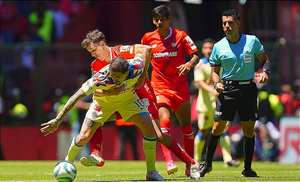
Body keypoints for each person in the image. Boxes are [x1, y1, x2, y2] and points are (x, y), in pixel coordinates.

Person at [80, 30, 201, 180]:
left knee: (157, 134)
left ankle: (191, 163)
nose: (92, 54)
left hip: (142, 93)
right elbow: (96, 88)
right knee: (97, 118)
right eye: (89, 52)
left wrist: (143, 74)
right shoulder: (96, 64)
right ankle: (95, 154)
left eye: (93, 50)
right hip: (123, 99)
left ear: (102, 44)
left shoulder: (120, 51)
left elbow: (146, 49)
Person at [40, 52, 166, 181]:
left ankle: (151, 173)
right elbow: (75, 97)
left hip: (128, 100)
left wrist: (143, 75)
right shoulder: (101, 78)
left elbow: (143, 52)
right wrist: (58, 119)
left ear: (127, 73)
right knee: (83, 137)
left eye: (118, 77)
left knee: (150, 129)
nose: (114, 79)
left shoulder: (136, 66)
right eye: (112, 74)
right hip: (103, 103)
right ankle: (67, 162)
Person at [199, 9, 270, 178]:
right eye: (224, 23)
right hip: (228, 90)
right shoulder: (218, 46)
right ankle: (207, 164)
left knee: (249, 131)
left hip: (248, 90)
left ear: (238, 23)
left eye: (230, 22)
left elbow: (265, 60)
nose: (227, 26)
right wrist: (216, 83)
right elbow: (214, 71)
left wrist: (265, 72)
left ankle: (247, 168)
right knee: (217, 128)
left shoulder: (252, 41)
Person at [141, 5, 199, 176]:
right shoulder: (147, 38)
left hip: (180, 89)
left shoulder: (181, 36)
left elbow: (195, 55)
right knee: (163, 123)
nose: (159, 22)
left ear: (169, 20)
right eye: (156, 19)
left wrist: (189, 64)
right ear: (153, 21)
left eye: (162, 19)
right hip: (159, 88)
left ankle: (190, 165)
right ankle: (169, 161)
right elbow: (141, 59)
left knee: (186, 127)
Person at [193, 38, 240, 167]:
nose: (208, 50)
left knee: (224, 128)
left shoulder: (221, 64)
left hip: (221, 102)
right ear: (202, 50)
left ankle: (227, 159)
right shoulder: (200, 65)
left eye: (211, 48)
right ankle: (196, 159)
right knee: (203, 131)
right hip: (206, 105)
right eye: (206, 48)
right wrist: (212, 90)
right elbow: (199, 82)